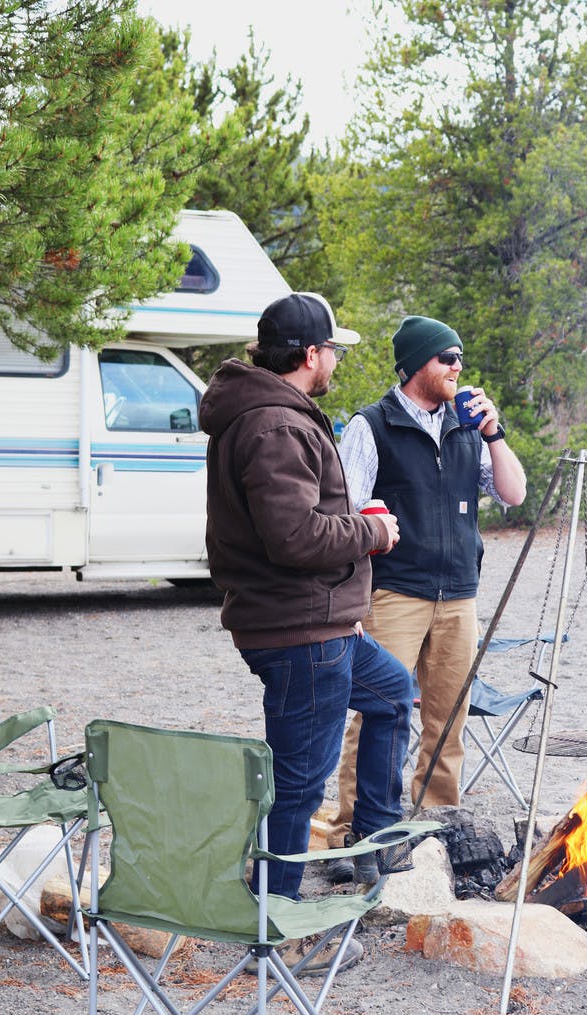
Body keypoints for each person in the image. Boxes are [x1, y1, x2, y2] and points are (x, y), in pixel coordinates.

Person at [199, 292, 413, 968]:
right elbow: (293, 537)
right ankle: (274, 930)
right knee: (298, 785)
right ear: (308, 354)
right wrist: (372, 531)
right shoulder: (274, 425)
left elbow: (299, 519)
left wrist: (352, 521)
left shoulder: (273, 416)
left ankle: (372, 842)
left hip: (325, 623)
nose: (338, 361)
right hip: (300, 632)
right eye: (333, 351)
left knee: (392, 692)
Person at [325, 314, 527, 882]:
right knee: (374, 711)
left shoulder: (468, 428)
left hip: (459, 593)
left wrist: (494, 432)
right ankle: (352, 833)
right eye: (446, 358)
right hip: (393, 592)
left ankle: (434, 827)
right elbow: (342, 511)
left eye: (459, 358)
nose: (457, 367)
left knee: (449, 716)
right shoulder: (373, 425)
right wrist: (349, 600)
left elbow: (513, 493)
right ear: (416, 364)